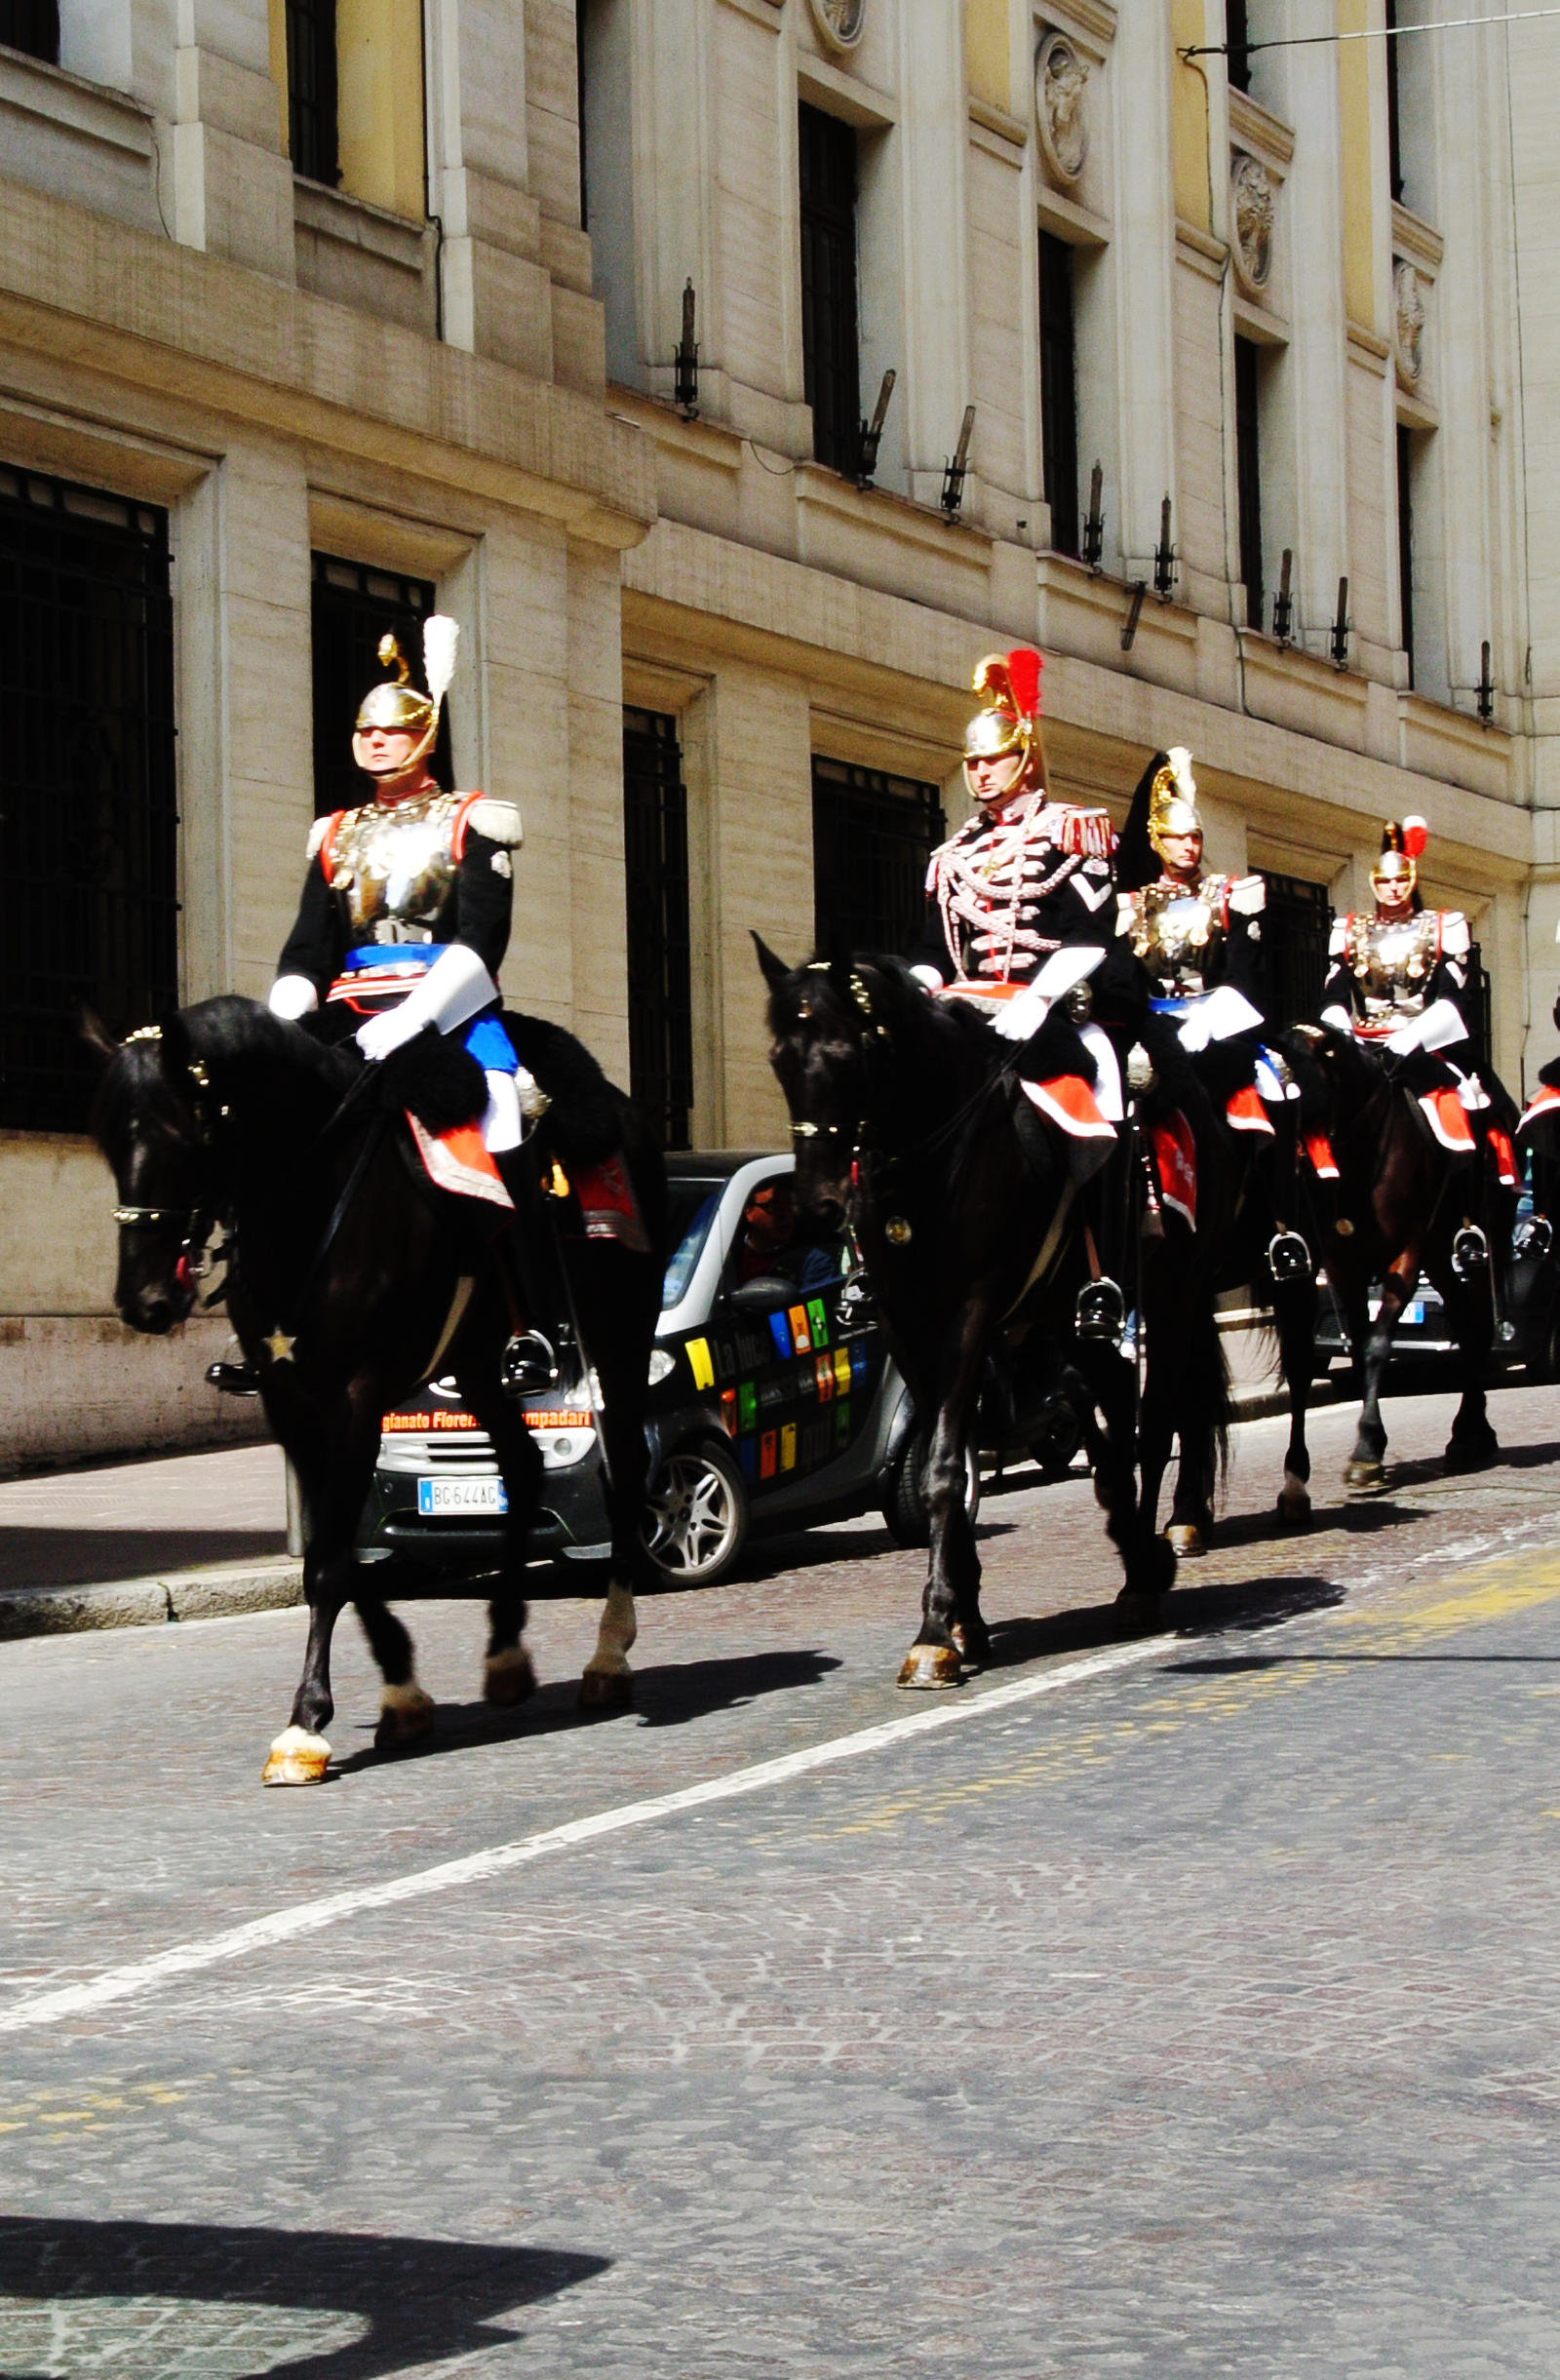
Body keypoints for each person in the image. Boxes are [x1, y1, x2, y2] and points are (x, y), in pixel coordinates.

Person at [910, 645, 1125, 1331]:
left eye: (993, 758)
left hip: (1047, 1006)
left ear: (1023, 757)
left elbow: (1091, 935)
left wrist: (1037, 997)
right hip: (966, 1007)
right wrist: (920, 988)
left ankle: (1102, 1271)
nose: (979, 771)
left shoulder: (1071, 832)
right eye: (972, 761)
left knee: (1103, 1095)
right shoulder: (952, 856)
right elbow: (932, 952)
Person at [1320, 817, 1515, 1177]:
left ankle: (1468, 1221)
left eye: (1399, 880)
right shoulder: (1348, 931)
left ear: (1411, 879)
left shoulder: (1444, 927)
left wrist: (1410, 1037)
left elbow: (1453, 999)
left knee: (1468, 1103)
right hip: (1362, 1045)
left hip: (1423, 1045)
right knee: (1313, 1105)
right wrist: (1341, 1035)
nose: (1392, 888)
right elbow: (1333, 996)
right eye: (1384, 880)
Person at [1113, 746, 1276, 1137]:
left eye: (1195, 837)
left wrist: (1203, 1026)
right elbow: (1125, 981)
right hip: (1153, 1025)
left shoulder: (1232, 895)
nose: (1189, 846)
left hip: (1216, 1025)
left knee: (1277, 1089)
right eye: (1178, 838)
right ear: (1157, 842)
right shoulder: (1132, 906)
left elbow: (1244, 976)